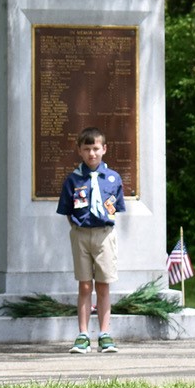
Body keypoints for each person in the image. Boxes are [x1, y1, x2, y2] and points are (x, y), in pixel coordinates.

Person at [55, 127, 125, 354]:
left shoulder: (113, 178)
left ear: (104, 149)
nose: (92, 153)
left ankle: (104, 334)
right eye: (87, 149)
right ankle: (83, 334)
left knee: (103, 285)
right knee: (85, 285)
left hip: (104, 234)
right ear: (79, 151)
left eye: (96, 148)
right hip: (81, 234)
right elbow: (67, 209)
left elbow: (116, 207)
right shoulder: (73, 179)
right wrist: (78, 228)